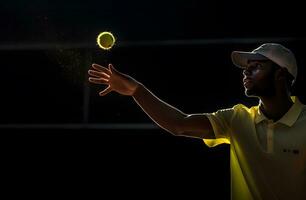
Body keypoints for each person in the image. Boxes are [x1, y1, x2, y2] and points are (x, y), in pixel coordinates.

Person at [88, 43, 306, 200]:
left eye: (257, 66)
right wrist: (136, 90)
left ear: (280, 75)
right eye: (246, 66)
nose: (246, 71)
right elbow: (179, 124)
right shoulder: (237, 118)